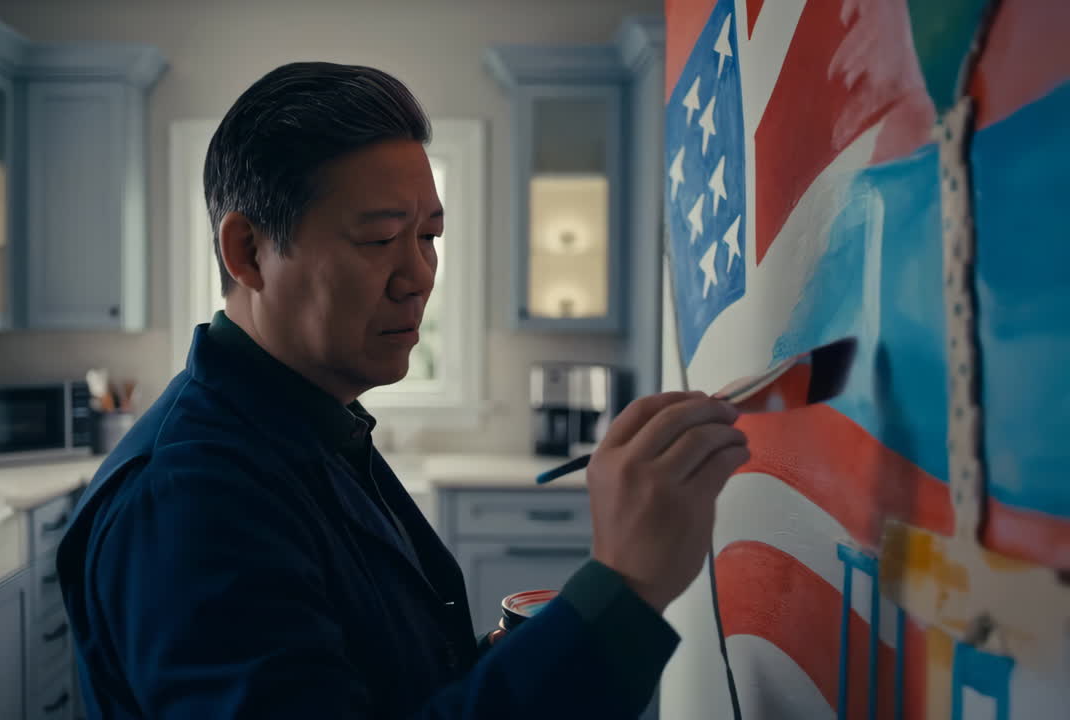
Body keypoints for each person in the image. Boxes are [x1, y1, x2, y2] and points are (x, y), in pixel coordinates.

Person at [57, 61, 749, 719]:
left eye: (429, 235)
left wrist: (512, 658)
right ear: (249, 253)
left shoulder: (314, 423)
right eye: (381, 238)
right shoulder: (189, 499)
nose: (418, 274)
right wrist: (621, 589)